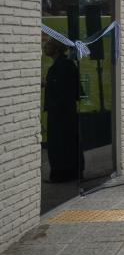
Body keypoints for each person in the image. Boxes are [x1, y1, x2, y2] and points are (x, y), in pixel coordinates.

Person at [43, 37, 81, 182]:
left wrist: (48, 84)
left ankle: (62, 174)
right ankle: (65, 172)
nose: (45, 48)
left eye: (48, 46)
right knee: (63, 142)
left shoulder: (65, 66)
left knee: (60, 143)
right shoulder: (64, 65)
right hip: (62, 110)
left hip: (61, 112)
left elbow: (65, 89)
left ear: (56, 48)